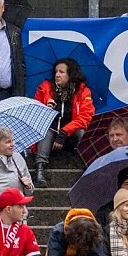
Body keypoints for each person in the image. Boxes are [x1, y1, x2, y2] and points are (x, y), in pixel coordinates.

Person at [32, 58, 95, 187]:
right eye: (56, 71)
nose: (57, 75)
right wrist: (45, 108)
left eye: (61, 72)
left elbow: (85, 118)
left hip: (69, 138)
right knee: (45, 131)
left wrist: (64, 132)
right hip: (49, 138)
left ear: (71, 74)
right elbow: (34, 115)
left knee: (81, 132)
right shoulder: (45, 88)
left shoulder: (83, 91)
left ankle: (87, 168)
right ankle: (39, 170)